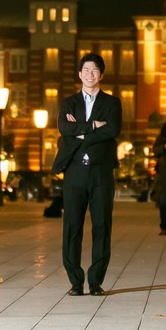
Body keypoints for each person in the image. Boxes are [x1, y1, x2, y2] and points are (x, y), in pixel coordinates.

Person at [52, 53, 122, 297]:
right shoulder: (69, 103)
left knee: (102, 225)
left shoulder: (112, 103)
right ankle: (75, 281)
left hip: (101, 171)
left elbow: (112, 130)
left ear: (101, 75)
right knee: (72, 225)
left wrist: (79, 132)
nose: (90, 74)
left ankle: (95, 281)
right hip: (74, 171)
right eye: (86, 70)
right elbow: (64, 128)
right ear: (80, 74)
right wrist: (93, 126)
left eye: (95, 70)